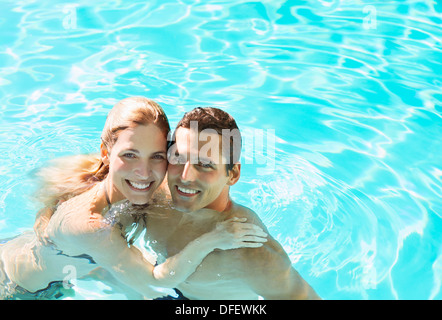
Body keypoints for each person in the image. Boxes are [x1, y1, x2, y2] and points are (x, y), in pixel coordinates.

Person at [0, 97, 268, 300]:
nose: (144, 172)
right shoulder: (87, 224)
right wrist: (214, 239)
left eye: (157, 156)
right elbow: (155, 282)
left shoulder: (126, 184)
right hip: (20, 290)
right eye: (130, 155)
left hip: (68, 266)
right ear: (106, 152)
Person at [137, 107, 321, 300]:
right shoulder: (155, 194)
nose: (185, 177)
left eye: (205, 165)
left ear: (232, 174)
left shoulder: (251, 252)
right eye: (178, 158)